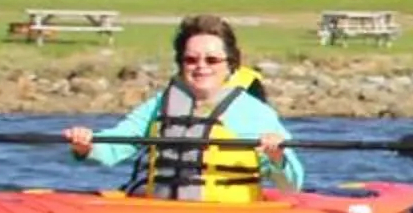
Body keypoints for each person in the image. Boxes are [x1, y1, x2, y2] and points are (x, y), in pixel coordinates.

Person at [65, 15, 302, 201]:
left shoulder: (253, 113)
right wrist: (87, 144)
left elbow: (291, 184)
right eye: (191, 60)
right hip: (160, 211)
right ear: (181, 64)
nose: (201, 67)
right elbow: (118, 144)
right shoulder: (161, 103)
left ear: (230, 64)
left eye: (212, 60)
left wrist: (276, 156)